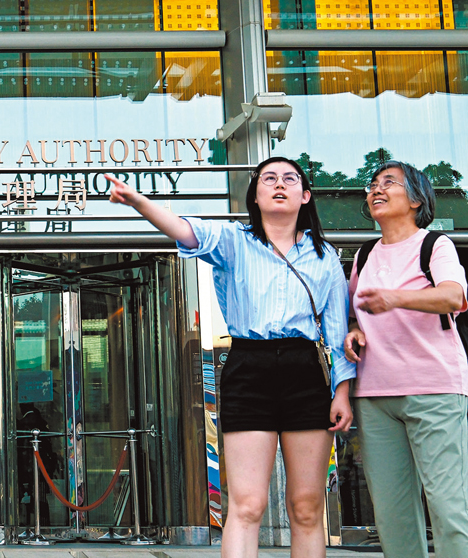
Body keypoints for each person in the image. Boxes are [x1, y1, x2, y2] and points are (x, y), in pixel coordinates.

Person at [108, 156, 355, 558]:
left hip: (305, 371)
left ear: (305, 195)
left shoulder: (324, 256)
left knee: (307, 507)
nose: (279, 184)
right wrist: (139, 202)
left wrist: (341, 391)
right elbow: (185, 231)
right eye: (268, 178)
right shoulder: (233, 240)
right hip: (248, 368)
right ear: (254, 196)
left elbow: (337, 331)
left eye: (289, 178)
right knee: (247, 504)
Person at [344, 161, 468, 558]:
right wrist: (354, 329)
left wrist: (395, 298)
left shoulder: (435, 245)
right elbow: (353, 312)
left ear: (416, 199)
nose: (376, 190)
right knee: (392, 516)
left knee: (449, 508)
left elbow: (453, 296)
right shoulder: (363, 256)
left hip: (434, 390)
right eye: (372, 184)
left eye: (389, 183)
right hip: (374, 395)